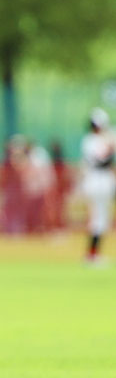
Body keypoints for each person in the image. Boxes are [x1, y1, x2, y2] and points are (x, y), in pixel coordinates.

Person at [80, 108, 115, 265]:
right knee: (99, 219)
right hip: (98, 180)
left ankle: (94, 254)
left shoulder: (96, 139)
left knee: (101, 219)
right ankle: (92, 255)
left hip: (100, 180)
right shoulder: (93, 140)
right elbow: (102, 161)